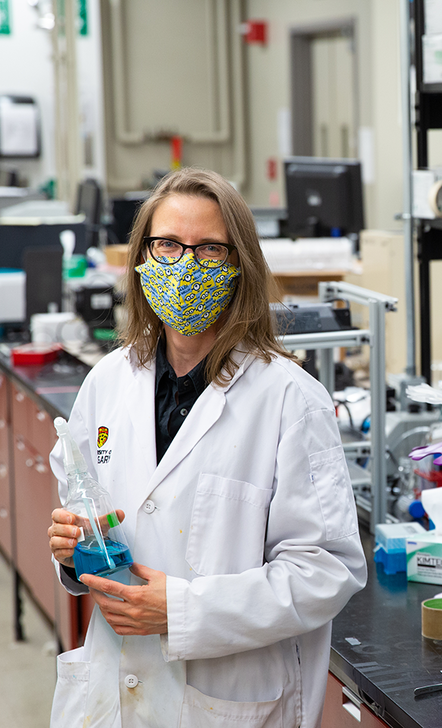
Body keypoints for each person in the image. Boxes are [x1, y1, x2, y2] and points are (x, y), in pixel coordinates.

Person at [46, 168, 366, 727]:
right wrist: (74, 552)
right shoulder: (108, 381)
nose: (185, 265)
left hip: (229, 698)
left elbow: (324, 571)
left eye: (210, 250)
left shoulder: (292, 400)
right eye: (168, 244)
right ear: (142, 255)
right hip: (115, 689)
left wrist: (184, 610)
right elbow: (86, 509)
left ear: (240, 266)